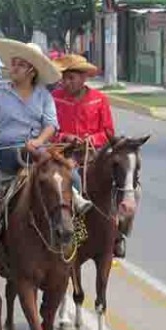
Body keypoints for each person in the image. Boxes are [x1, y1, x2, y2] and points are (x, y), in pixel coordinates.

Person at [0, 38, 92, 215]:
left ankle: (74, 209)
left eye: (20, 64)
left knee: (72, 176)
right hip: (6, 150)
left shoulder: (43, 95)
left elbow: (51, 125)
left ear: (31, 71)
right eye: (13, 63)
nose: (14, 68)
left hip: (37, 149)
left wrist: (38, 141)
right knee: (31, 155)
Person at [52, 54, 123, 252]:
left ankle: (117, 233)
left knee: (121, 182)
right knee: (63, 183)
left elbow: (108, 132)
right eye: (64, 77)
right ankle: (68, 229)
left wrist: (92, 139)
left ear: (83, 78)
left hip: (94, 153)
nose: (66, 82)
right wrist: (65, 137)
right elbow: (49, 127)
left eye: (71, 78)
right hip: (64, 154)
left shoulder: (100, 99)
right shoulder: (55, 98)